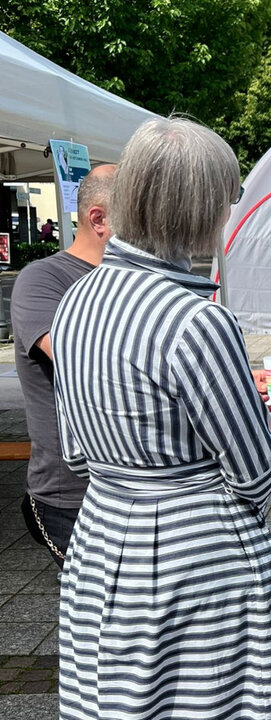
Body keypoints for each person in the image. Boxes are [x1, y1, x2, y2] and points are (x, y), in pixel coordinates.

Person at [51, 117, 271, 719]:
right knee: (202, 702)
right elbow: (258, 473)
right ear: (203, 208)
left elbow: (76, 449)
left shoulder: (75, 298)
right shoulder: (197, 319)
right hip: (192, 560)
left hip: (99, 539)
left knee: (115, 701)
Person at [11, 165, 116, 566]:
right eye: (140, 209)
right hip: (72, 496)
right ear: (98, 219)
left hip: (131, 486)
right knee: (104, 624)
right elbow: (85, 361)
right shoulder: (43, 279)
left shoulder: (131, 280)